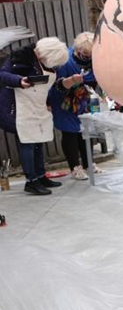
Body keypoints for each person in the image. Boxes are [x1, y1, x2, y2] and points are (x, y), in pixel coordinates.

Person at [0, 37, 69, 195]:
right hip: (17, 108)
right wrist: (19, 80)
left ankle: (40, 176)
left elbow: (45, 88)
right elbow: (2, 74)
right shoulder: (20, 57)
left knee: (38, 141)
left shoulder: (45, 62)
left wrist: (49, 101)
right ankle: (31, 181)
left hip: (37, 107)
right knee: (28, 143)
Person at [48, 32, 103, 181]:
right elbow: (56, 84)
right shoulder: (65, 60)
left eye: (90, 54)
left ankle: (89, 163)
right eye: (84, 54)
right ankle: (75, 167)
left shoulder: (96, 59)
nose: (87, 57)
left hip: (87, 98)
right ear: (77, 49)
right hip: (65, 100)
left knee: (87, 130)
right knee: (70, 132)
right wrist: (72, 81)